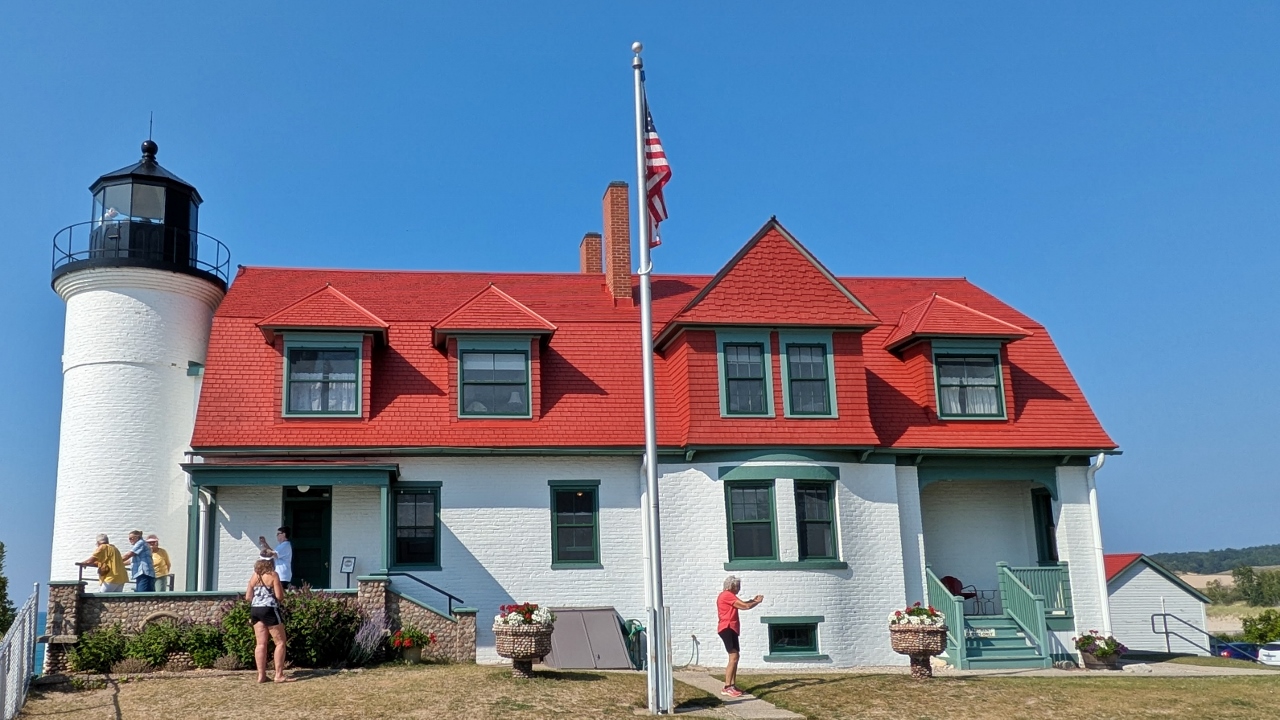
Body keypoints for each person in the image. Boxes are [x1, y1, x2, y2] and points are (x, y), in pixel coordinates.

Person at [246, 558, 293, 683]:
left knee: (260, 643)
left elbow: (248, 597)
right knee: (280, 642)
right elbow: (279, 596)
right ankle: (278, 675)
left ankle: (261, 675)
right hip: (269, 609)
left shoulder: (254, 576)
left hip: (255, 610)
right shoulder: (273, 575)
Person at [717, 575, 763, 698]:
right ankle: (727, 687)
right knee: (733, 657)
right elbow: (745, 606)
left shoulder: (729, 596)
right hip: (727, 627)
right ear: (731, 586)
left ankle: (732, 685)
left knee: (736, 657)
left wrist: (752, 600)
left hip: (731, 628)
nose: (739, 589)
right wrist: (757, 601)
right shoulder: (726, 595)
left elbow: (742, 604)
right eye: (737, 586)